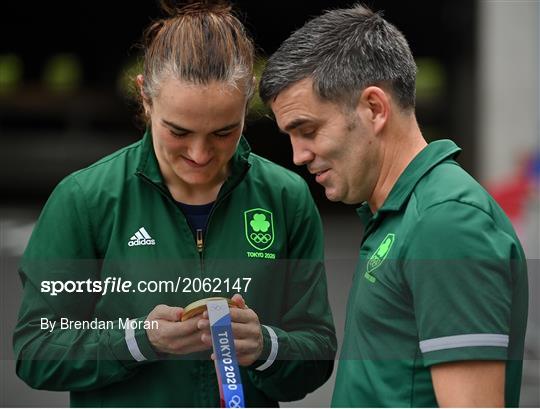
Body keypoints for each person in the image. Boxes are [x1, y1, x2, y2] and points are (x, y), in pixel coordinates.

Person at [13, 1, 337, 406]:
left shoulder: (286, 198)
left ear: (247, 104)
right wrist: (139, 340)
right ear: (145, 98)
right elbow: (35, 350)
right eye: (178, 131)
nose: (199, 154)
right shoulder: (84, 199)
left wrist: (265, 347)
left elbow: (318, 349)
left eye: (223, 132)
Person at [260, 4, 528, 407]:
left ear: (374, 108)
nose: (298, 155)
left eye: (309, 130)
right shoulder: (400, 214)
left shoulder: (446, 221)